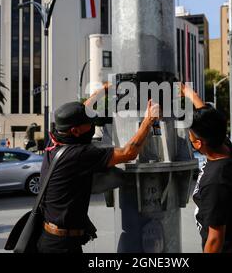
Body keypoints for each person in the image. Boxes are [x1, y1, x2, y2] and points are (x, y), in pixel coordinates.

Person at [36, 86, 160, 253]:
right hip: (62, 246)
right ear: (75, 131)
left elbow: (83, 108)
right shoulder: (78, 155)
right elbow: (128, 153)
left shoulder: (55, 142)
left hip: (51, 238)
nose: (93, 124)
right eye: (89, 123)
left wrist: (102, 90)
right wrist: (148, 121)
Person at [180, 83, 232, 253]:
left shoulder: (215, 183)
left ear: (199, 143)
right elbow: (209, 121)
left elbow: (215, 239)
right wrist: (191, 94)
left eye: (191, 137)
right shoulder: (228, 149)